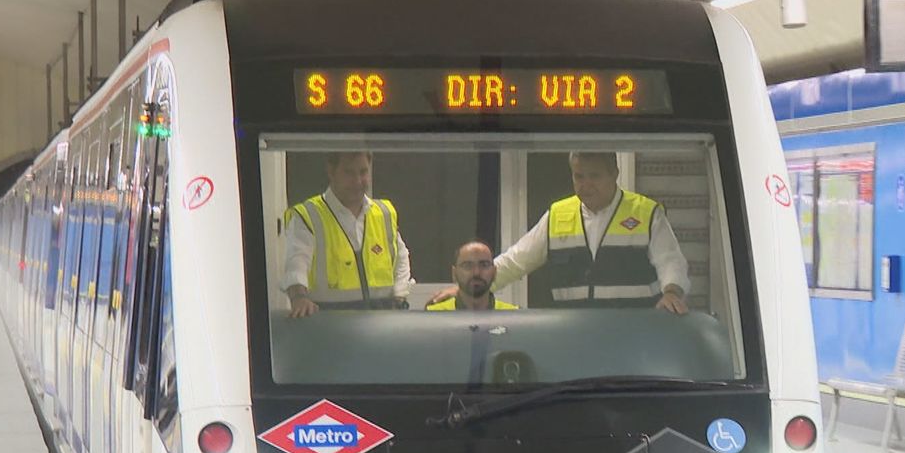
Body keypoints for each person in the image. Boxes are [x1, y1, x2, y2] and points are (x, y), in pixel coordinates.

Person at [431, 152, 689, 313]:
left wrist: (672, 293)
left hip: (635, 333)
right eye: (579, 176)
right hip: (574, 335)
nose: (585, 184)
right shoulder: (558, 214)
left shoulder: (646, 212)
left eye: (594, 176)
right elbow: (516, 260)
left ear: (615, 174)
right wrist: (473, 287)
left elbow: (671, 261)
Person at [281, 151, 412, 317]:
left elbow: (401, 257)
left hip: (381, 322)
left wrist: (399, 296)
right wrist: (298, 297)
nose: (357, 181)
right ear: (331, 172)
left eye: (363, 172)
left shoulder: (383, 213)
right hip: (328, 322)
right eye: (349, 173)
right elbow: (296, 262)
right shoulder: (308, 216)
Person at [426, 241, 517, 311]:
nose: (476, 272)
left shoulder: (512, 317)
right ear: (454, 273)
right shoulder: (434, 315)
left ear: (494, 272)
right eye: (467, 265)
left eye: (484, 265)